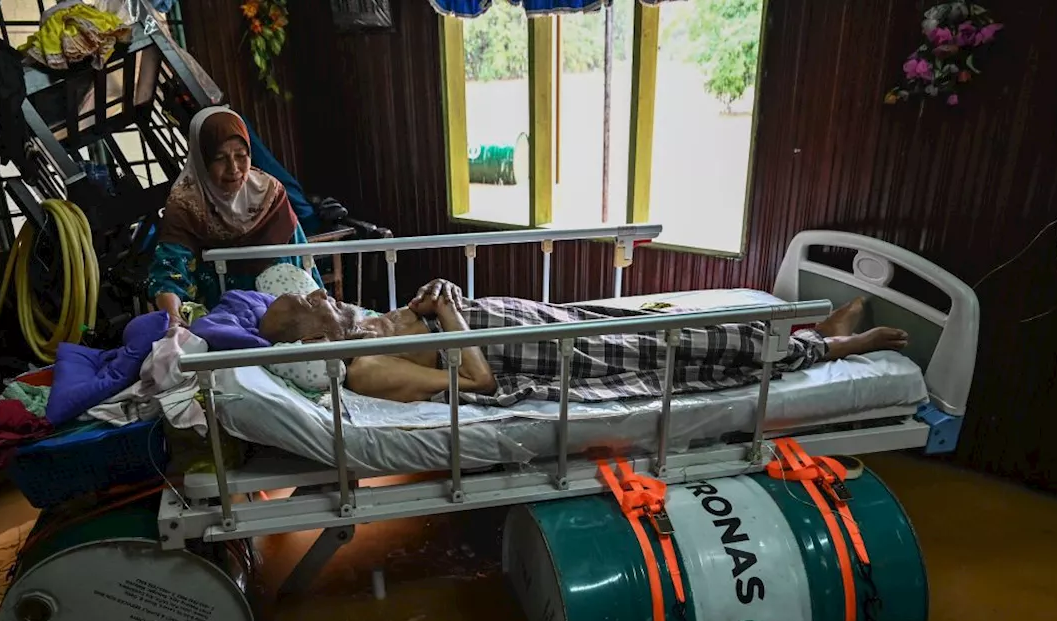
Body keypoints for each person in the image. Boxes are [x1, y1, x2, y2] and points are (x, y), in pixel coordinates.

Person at [258, 281, 909, 407]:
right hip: (543, 353)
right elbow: (477, 382)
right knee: (691, 348)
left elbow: (437, 304)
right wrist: (448, 313)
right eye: (313, 305)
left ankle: (808, 332)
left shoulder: (363, 324)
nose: (325, 296)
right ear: (313, 340)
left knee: (671, 321)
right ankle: (825, 345)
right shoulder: (367, 371)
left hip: (533, 316)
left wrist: (441, 296)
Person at [147, 106, 320, 322]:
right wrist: (173, 317)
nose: (234, 168)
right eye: (220, 158)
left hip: (281, 314)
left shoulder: (269, 193)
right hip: (221, 318)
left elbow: (300, 258)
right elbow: (170, 269)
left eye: (241, 155)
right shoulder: (186, 204)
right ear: (202, 160)